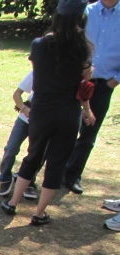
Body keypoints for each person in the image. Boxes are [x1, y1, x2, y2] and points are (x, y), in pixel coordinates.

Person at [0, 0, 93, 225]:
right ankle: (39, 213)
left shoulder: (39, 44)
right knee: (57, 162)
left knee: (33, 155)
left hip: (41, 109)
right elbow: (86, 79)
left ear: (57, 17)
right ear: (81, 20)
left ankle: (12, 203)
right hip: (68, 112)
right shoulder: (84, 48)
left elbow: (40, 69)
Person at [62, 0, 120, 195]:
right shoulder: (86, 11)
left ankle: (72, 176)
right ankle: (53, 171)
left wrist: (114, 81)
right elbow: (70, 38)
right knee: (63, 126)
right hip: (75, 78)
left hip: (103, 83)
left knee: (89, 132)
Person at [0, 69, 38, 200]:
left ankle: (29, 181)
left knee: (36, 153)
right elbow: (17, 94)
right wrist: (25, 108)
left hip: (43, 121)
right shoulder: (37, 71)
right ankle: (5, 177)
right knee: (11, 148)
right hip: (24, 119)